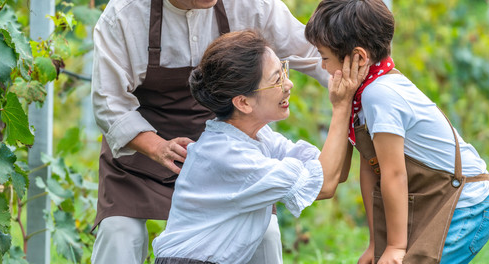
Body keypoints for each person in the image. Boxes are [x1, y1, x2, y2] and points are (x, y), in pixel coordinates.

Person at [90, 0, 330, 263]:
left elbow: (309, 52)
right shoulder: (126, 13)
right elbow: (110, 102)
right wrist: (157, 147)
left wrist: (364, 91)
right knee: (120, 233)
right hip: (145, 158)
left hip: (230, 156)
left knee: (265, 234)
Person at [304, 0, 489, 264]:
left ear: (358, 58)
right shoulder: (362, 96)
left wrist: (395, 246)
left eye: (324, 57)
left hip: (466, 205)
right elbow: (372, 170)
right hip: (444, 200)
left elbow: (394, 174)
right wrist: (377, 244)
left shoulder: (380, 95)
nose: (322, 67)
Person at [152, 29, 365, 264]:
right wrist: (342, 106)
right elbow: (325, 185)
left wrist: (350, 104)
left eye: (283, 71)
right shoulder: (228, 154)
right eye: (277, 79)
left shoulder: (257, 137)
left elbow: (333, 172)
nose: (289, 84)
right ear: (243, 102)